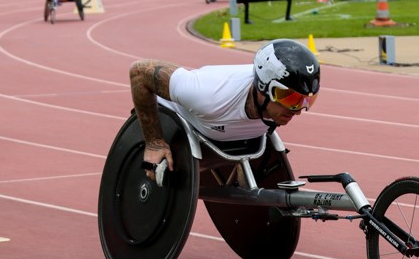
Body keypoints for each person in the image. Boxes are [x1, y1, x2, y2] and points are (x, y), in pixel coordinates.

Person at [129, 39, 319, 183]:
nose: (298, 110)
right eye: (290, 98)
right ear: (262, 86)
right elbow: (139, 72)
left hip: (223, 131)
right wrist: (154, 142)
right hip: (174, 125)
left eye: (307, 100)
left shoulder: (275, 102)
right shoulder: (207, 94)